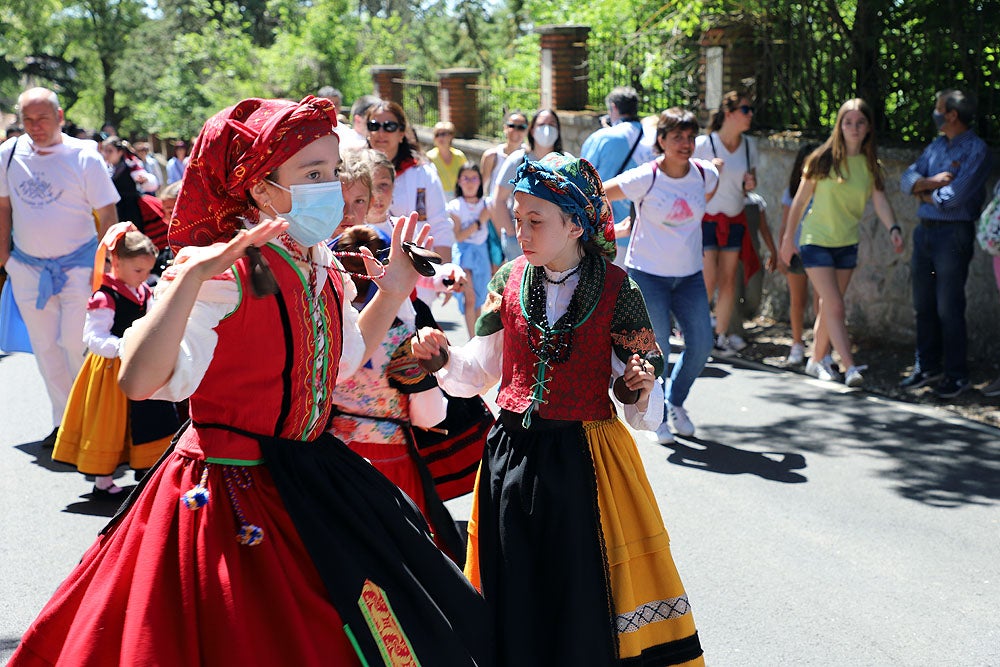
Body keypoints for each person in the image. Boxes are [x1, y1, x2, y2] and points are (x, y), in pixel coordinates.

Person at [8, 95, 491, 667]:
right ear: (262, 189)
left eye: (332, 170)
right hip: (229, 488)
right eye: (313, 173)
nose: (331, 186)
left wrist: (393, 289)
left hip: (311, 471)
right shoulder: (225, 271)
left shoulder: (320, 262)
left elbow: (338, 364)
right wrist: (185, 281)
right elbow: (141, 381)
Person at [412, 153, 704, 667]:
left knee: (580, 588)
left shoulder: (619, 289)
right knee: (514, 583)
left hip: (584, 461)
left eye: (535, 221)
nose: (520, 231)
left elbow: (642, 400)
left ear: (575, 224)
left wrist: (638, 387)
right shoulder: (506, 281)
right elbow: (477, 373)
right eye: (518, 219)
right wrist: (442, 358)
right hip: (511, 459)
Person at [0, 87, 120, 446]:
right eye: (28, 120)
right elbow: (3, 208)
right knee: (45, 347)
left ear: (60, 117)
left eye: (43, 118)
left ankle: (87, 420)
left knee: (75, 342)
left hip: (79, 268)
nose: (35, 126)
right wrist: (5, 258)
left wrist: (107, 265)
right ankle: (63, 423)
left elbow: (108, 213)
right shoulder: (8, 154)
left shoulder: (84, 156)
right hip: (27, 268)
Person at [605, 107, 719, 443]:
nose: (685, 143)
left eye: (689, 136)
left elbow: (705, 195)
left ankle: (675, 403)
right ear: (662, 141)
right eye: (677, 137)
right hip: (648, 275)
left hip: (689, 277)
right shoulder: (646, 177)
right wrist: (613, 231)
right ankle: (658, 414)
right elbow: (600, 192)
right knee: (659, 352)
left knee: (701, 345)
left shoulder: (705, 174)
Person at [780, 98, 904, 388]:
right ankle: (849, 367)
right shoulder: (822, 159)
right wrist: (788, 239)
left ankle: (816, 360)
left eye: (860, 122)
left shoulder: (870, 165)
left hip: (847, 244)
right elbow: (798, 203)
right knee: (835, 304)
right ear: (839, 125)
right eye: (848, 122)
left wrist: (894, 228)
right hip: (815, 242)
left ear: (869, 127)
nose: (854, 128)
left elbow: (880, 200)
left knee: (829, 307)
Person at [52, 223, 178, 499]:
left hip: (140, 364)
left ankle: (147, 466)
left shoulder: (142, 289)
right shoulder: (104, 297)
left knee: (152, 415)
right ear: (116, 262)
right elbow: (93, 336)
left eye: (147, 270)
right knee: (111, 422)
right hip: (112, 368)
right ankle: (103, 479)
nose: (144, 277)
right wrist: (124, 346)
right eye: (138, 271)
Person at [898, 89, 992, 398]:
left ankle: (956, 374)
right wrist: (931, 184)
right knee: (922, 303)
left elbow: (953, 200)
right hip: (925, 232)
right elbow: (906, 178)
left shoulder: (976, 150)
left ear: (952, 114)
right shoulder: (937, 145)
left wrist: (922, 192)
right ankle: (927, 366)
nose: (935, 113)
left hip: (952, 236)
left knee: (948, 306)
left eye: (939, 108)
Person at [693, 91, 760, 355]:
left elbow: (749, 184)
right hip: (707, 218)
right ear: (729, 113)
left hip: (734, 218)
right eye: (745, 109)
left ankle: (719, 336)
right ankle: (696, 333)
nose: (750, 115)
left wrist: (749, 184)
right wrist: (709, 170)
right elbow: (690, 181)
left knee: (729, 280)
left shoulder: (748, 145)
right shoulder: (704, 143)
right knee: (708, 279)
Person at [365, 100, 453, 262]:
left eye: (389, 126)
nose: (381, 132)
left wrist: (445, 271)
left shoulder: (423, 174)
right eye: (374, 126)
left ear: (401, 133)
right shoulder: (355, 173)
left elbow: (441, 226)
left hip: (418, 270)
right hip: (367, 267)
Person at [490, 109, 570, 260]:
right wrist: (512, 233)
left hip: (556, 242)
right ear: (532, 130)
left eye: (552, 124)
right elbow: (498, 199)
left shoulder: (567, 161)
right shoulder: (518, 160)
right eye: (542, 124)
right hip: (521, 241)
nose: (547, 129)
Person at [777, 142, 822, 365]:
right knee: (798, 300)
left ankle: (820, 348)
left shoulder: (825, 188)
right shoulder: (792, 191)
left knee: (820, 302)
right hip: (796, 251)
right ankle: (796, 344)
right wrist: (780, 253)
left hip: (819, 248)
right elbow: (785, 223)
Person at [581, 86, 645, 226]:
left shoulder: (601, 138)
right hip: (644, 227)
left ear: (613, 107)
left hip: (609, 228)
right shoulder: (653, 136)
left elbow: (582, 178)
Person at [448, 162, 492, 336]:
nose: (470, 182)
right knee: (470, 298)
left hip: (482, 254)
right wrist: (479, 222)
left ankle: (478, 339)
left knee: (480, 299)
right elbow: (459, 236)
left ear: (480, 181)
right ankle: (472, 340)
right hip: (464, 254)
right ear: (459, 181)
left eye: (474, 178)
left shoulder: (487, 204)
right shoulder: (455, 206)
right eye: (465, 178)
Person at [100, 136, 158, 224]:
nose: (107, 154)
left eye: (110, 151)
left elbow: (149, 181)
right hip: (114, 211)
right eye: (106, 151)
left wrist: (144, 180)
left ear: (119, 152)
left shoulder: (131, 166)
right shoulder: (106, 168)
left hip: (130, 212)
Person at [480, 111, 528, 199]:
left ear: (527, 130)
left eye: (521, 127)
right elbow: (481, 189)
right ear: (505, 128)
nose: (515, 130)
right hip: (496, 209)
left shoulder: (530, 157)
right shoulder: (491, 156)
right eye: (512, 126)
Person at [427, 121, 468, 197]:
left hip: (458, 197)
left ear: (451, 136)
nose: (440, 138)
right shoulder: (429, 157)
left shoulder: (459, 156)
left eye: (443, 134)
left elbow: (467, 176)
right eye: (437, 135)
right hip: (437, 197)